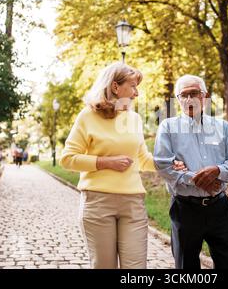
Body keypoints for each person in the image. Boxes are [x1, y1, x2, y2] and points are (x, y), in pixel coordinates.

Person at [60, 62, 184, 269]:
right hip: (98, 203)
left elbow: (142, 159)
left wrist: (170, 164)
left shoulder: (134, 119)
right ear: (116, 87)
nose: (137, 93)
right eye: (133, 86)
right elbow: (68, 158)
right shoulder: (87, 116)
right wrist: (105, 162)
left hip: (133, 203)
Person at [153, 74, 228, 269]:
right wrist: (199, 179)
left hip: (219, 208)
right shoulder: (168, 127)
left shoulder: (223, 127)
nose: (188, 99)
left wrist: (217, 170)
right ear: (177, 99)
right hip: (185, 209)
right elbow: (163, 164)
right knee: (187, 268)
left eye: (194, 93)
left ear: (205, 96)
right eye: (183, 95)